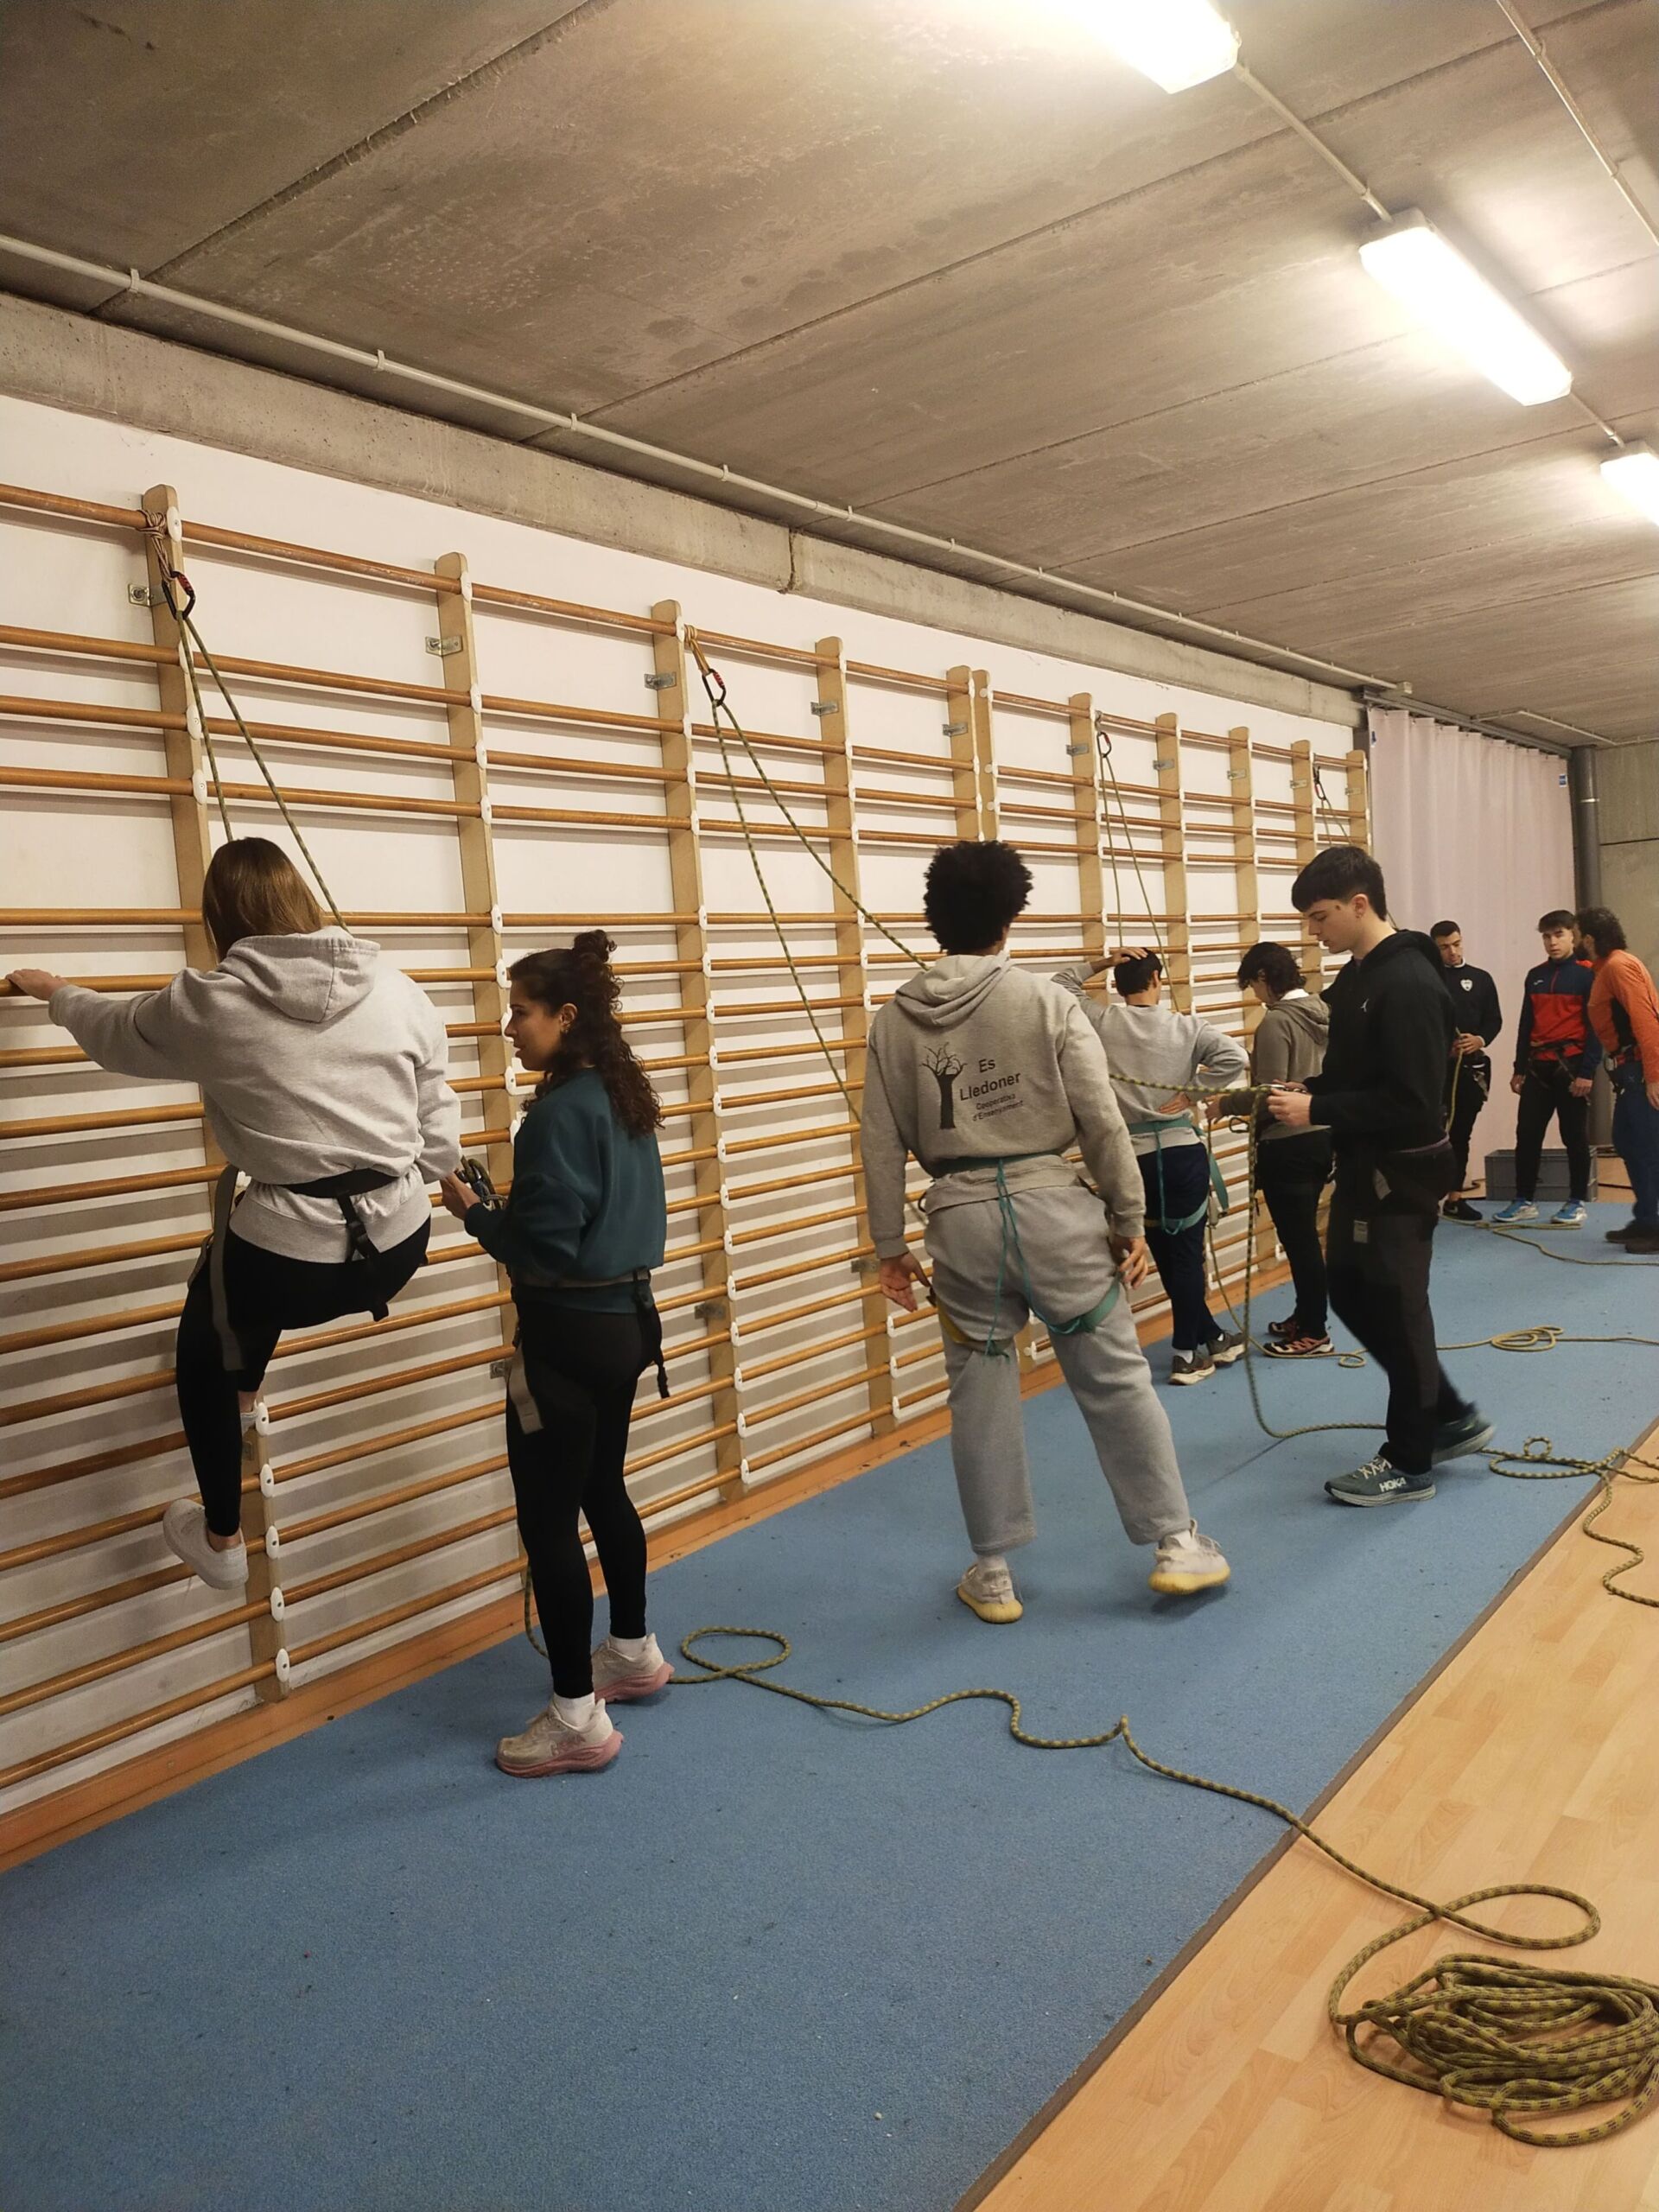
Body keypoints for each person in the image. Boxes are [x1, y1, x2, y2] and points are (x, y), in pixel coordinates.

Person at [7, 838, 461, 1591]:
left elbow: (114, 1031)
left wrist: (54, 991)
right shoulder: (399, 989)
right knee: (249, 1262)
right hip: (400, 1246)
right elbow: (438, 1130)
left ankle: (221, 1536)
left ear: (218, 919)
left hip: (294, 1268)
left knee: (208, 1335)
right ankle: (244, 1393)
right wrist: (435, 1176)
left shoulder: (208, 1004)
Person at [861, 840, 1230, 1624]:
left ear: (934, 920)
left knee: (980, 1393)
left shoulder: (892, 1020)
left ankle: (993, 1571)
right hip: (1054, 1209)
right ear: (1010, 919)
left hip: (959, 1220)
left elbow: (880, 1143)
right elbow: (1100, 1119)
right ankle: (1175, 1541)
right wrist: (1127, 1219)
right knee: (1115, 1377)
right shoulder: (1044, 1001)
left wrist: (890, 1247)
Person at [440, 932, 672, 1777]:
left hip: (567, 1342)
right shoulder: (622, 1095)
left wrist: (476, 1215)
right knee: (603, 1486)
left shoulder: (554, 1116)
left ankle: (577, 1716)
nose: (509, 1027)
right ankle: (633, 1652)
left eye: (522, 1012)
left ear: (566, 1016)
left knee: (547, 1523)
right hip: (627, 1325)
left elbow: (543, 1248)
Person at [1268, 847, 1493, 1504]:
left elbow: (1413, 1102)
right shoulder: (1360, 977)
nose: (1313, 931)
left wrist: (1317, 1111)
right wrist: (1307, 1090)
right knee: (1348, 1288)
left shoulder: (1410, 984)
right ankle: (1446, 1413)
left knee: (1396, 1306)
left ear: (1360, 904)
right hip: (1367, 1164)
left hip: (1404, 1169)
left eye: (1320, 917)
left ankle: (1410, 1459)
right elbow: (1356, 1075)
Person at [1053, 947, 1249, 1384]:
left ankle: (1213, 1336)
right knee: (1187, 1255)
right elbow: (1236, 1058)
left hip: (1128, 1160)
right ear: (1158, 979)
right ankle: (1186, 1354)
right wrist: (1192, 1093)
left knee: (1165, 1253)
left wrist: (1103, 961)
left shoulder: (1101, 1020)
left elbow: (1061, 984)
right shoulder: (1187, 1027)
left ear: (1117, 986)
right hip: (1180, 1154)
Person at [1236, 941, 1332, 1356]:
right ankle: (1305, 1314)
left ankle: (1314, 1330)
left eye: (1253, 986)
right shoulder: (1322, 1011)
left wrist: (1224, 1104)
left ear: (1263, 977)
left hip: (1287, 1143)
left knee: (1300, 1242)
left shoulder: (1276, 1023)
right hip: (1321, 1135)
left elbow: (1269, 1093)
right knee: (1304, 1237)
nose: (1255, 995)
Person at [1491, 909, 1600, 1229]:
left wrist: (1587, 1072)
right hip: (1538, 1067)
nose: (1552, 942)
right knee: (1527, 1134)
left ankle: (1577, 1201)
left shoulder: (1587, 976)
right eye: (1546, 936)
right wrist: (1518, 1068)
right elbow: (1526, 1024)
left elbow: (1596, 1028)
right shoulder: (1535, 975)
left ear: (1572, 936)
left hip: (1572, 1067)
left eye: (1558, 935)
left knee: (1574, 1136)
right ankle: (1524, 1200)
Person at [1577, 906, 1659, 1254]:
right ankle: (1646, 1220)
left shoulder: (1617, 967)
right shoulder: (1608, 967)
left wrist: (1654, 1077)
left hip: (1640, 1070)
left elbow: (1646, 1021)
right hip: (1630, 1071)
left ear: (1589, 939)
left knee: (1647, 1147)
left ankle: (1654, 1225)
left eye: (1577, 934)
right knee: (1627, 1141)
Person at [1429, 920, 1503, 1221]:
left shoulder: (1480, 978)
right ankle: (1426, 1199)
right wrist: (1442, 1048)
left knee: (1461, 1134)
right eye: (1444, 947)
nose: (1452, 951)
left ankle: (1455, 1198)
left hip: (1470, 1070)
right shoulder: (1428, 979)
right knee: (1432, 1134)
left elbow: (1494, 1019)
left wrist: (1479, 1040)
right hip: (1436, 1072)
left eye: (1456, 944)